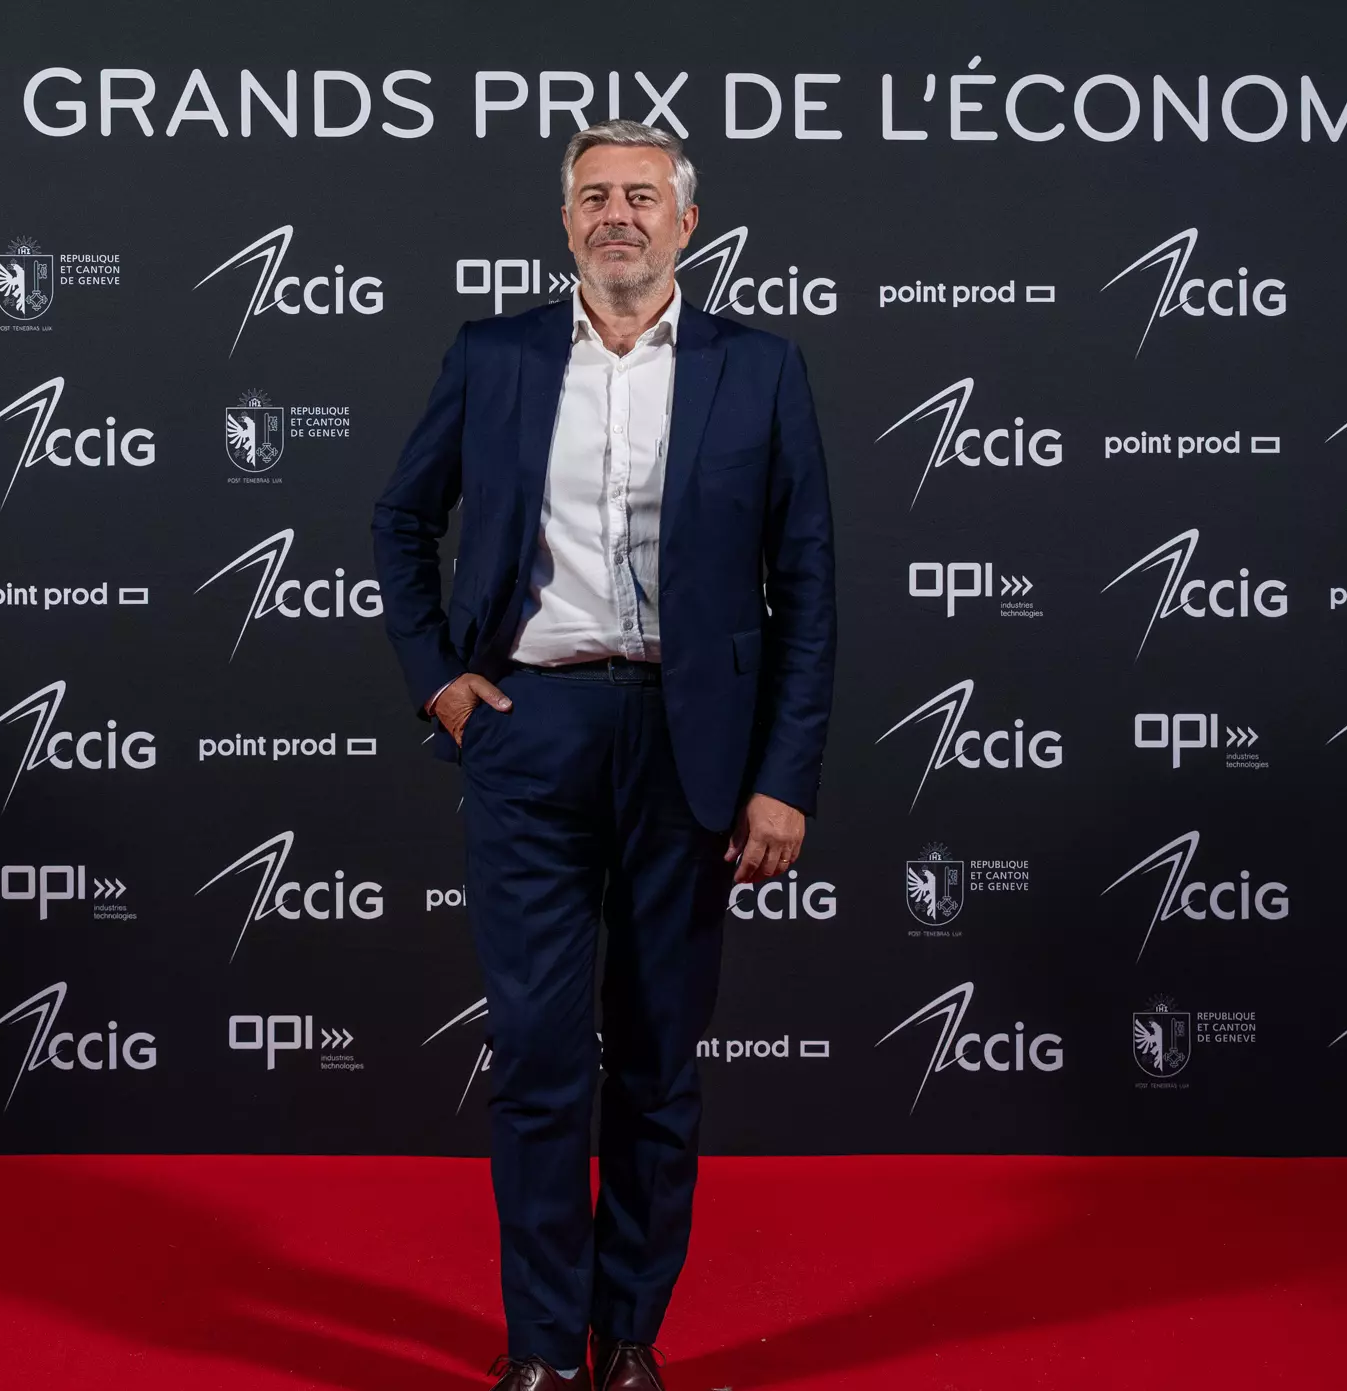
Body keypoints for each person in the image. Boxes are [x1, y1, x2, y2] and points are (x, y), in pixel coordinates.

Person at [372, 119, 836, 1391]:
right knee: (534, 1052)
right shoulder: (496, 356)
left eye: (641, 195)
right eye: (594, 197)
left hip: (695, 745)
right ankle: (539, 1345)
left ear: (687, 223)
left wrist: (783, 774)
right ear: (566, 221)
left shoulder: (761, 368)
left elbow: (806, 584)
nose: (616, 215)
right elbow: (402, 517)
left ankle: (628, 1334)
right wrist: (440, 681)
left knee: (654, 1056)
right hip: (532, 728)